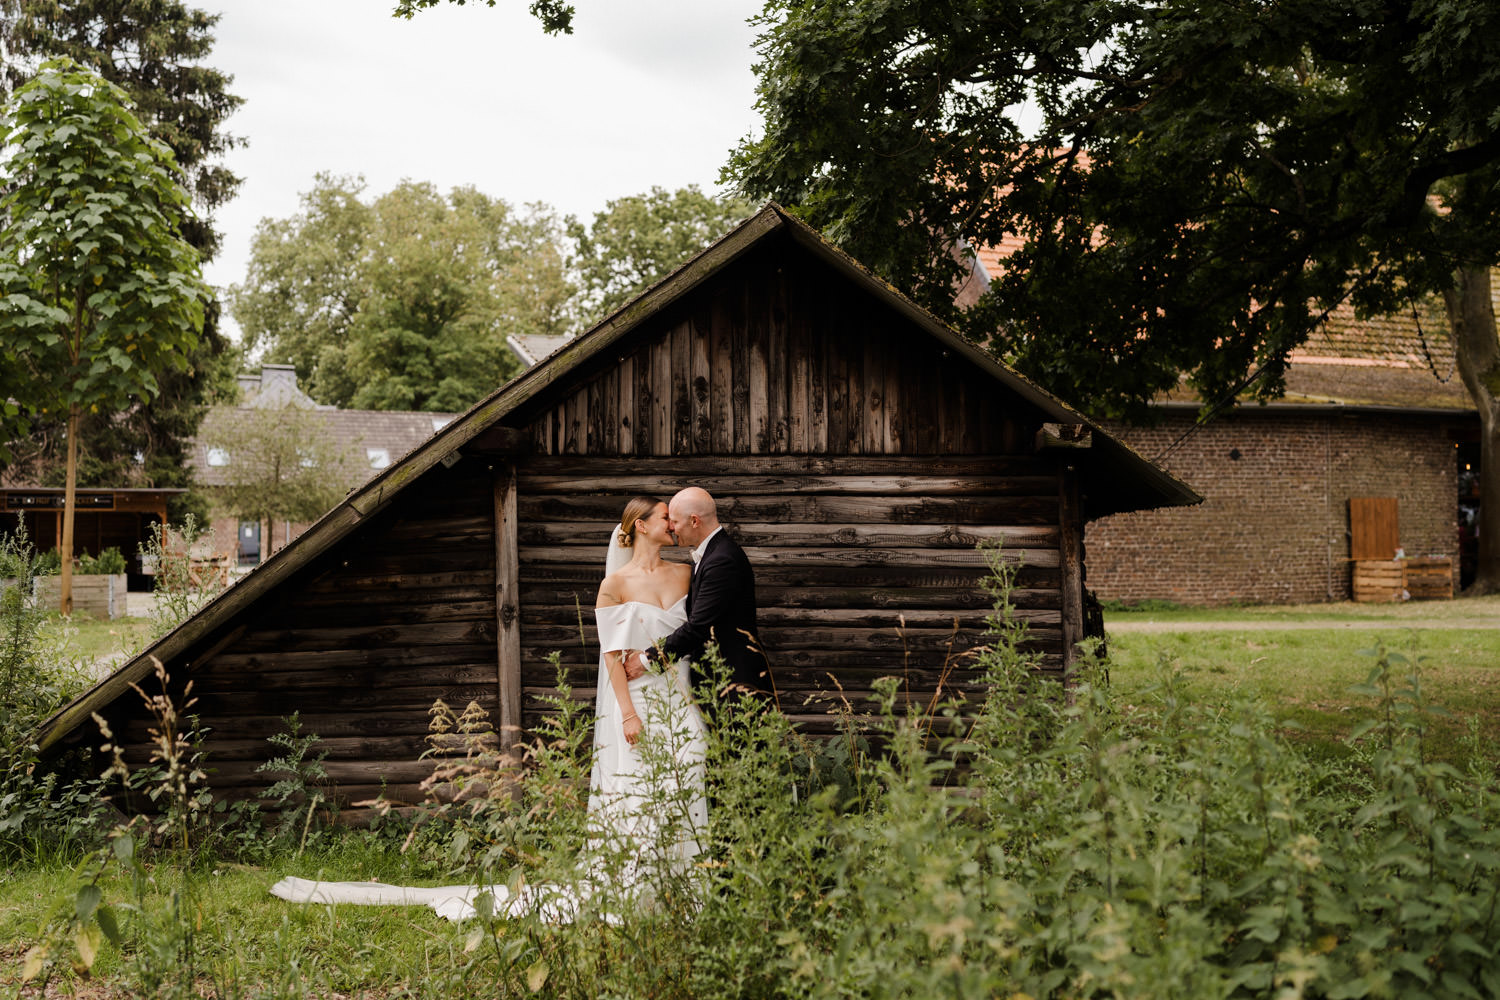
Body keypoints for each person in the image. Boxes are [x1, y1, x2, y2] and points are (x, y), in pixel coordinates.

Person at [269, 496, 708, 922]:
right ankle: (635, 890)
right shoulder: (614, 586)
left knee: (683, 777)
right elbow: (613, 657)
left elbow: (697, 630)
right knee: (637, 788)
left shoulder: (685, 575)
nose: (673, 524)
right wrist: (628, 713)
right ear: (641, 526)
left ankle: (683, 886)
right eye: (666, 517)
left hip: (678, 695)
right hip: (637, 704)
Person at [624, 487, 764, 700]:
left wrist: (647, 660)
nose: (671, 528)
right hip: (716, 683)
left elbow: (698, 627)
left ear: (694, 521)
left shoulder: (722, 561)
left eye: (675, 522)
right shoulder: (711, 555)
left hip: (735, 687)